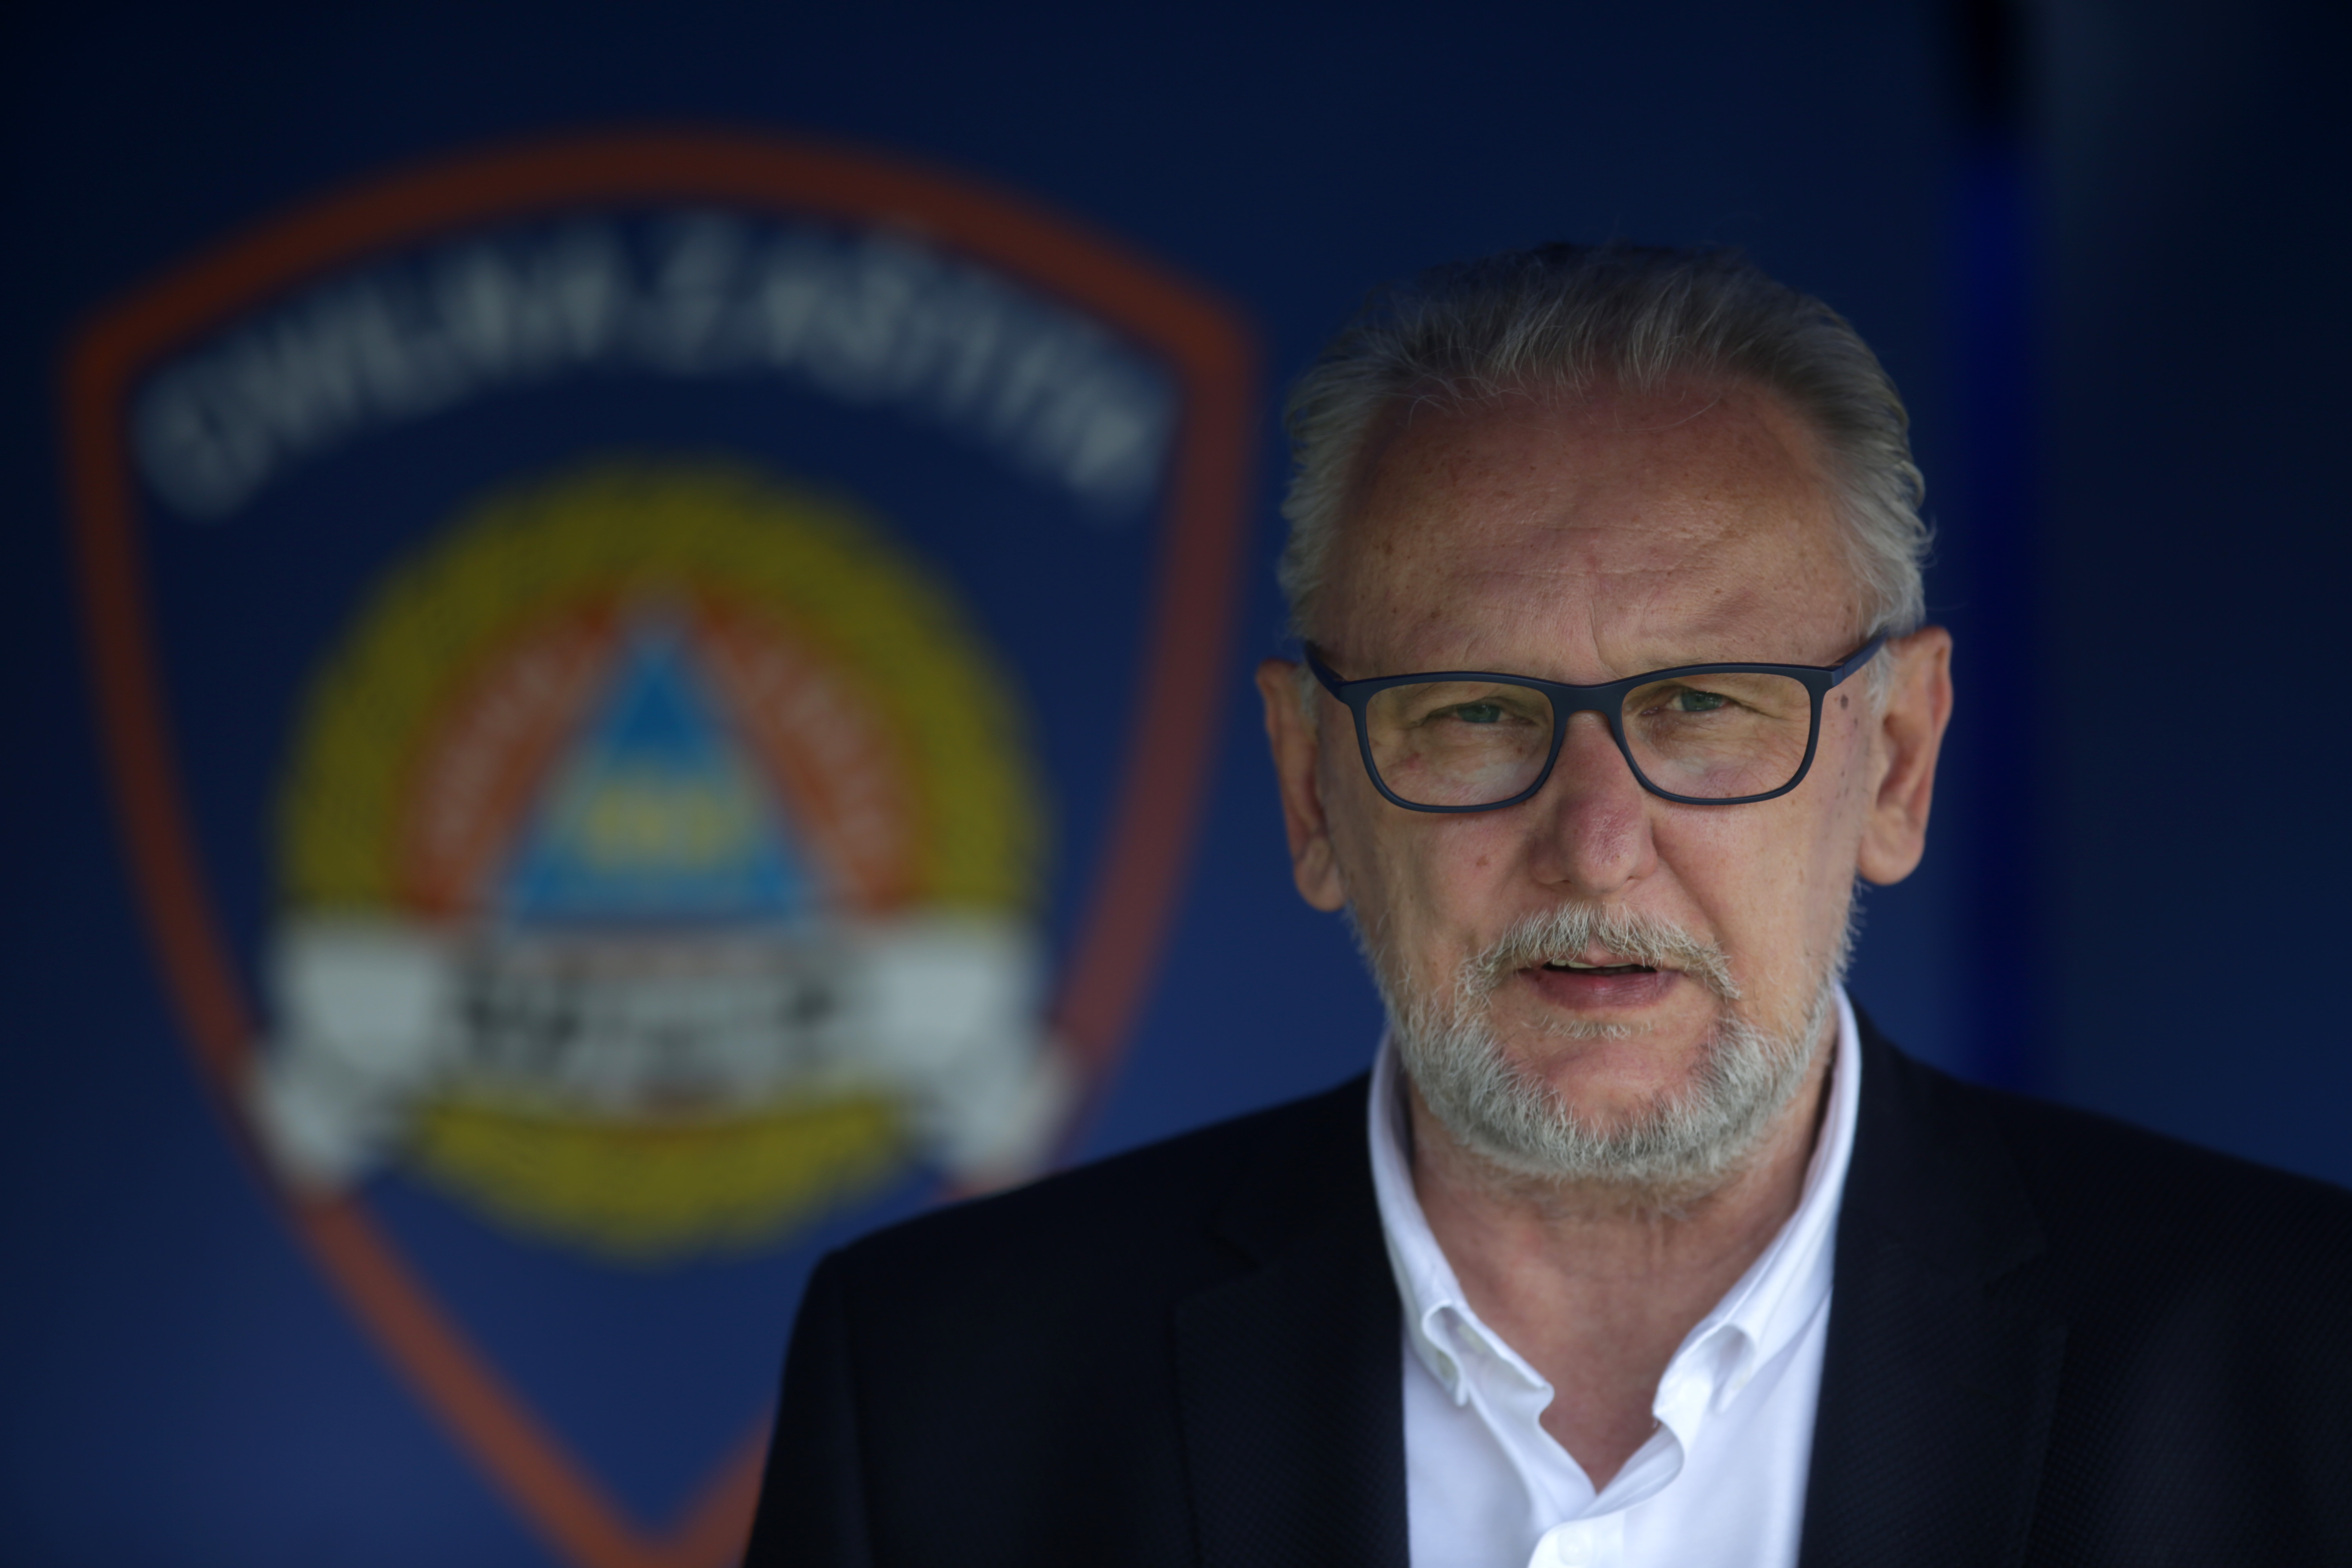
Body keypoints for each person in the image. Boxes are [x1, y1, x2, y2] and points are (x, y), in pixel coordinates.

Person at [744, 245, 2352, 1567]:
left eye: (1706, 707)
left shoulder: (2307, 1363)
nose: (1595, 845)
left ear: (1898, 765)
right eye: (1474, 714)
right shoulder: (941, 1393)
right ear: (1311, 789)